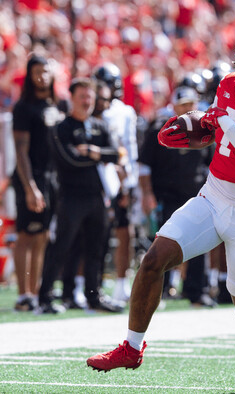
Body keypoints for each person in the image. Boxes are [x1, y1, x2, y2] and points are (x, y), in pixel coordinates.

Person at [87, 26, 235, 387]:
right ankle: (132, 347)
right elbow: (211, 127)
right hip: (213, 196)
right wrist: (193, 126)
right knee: (154, 260)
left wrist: (223, 121)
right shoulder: (228, 85)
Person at [38, 78, 123, 314]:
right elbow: (69, 160)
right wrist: (99, 157)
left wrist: (93, 152)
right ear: (72, 98)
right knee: (62, 247)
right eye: (82, 97)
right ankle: (45, 297)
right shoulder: (61, 128)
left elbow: (117, 154)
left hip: (96, 196)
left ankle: (93, 296)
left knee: (97, 248)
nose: (87, 101)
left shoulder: (100, 126)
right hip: (71, 197)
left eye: (90, 97)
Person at [138, 85, 215, 307]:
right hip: (168, 195)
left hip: (197, 194)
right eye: (183, 105)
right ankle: (159, 291)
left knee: (201, 243)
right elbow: (145, 166)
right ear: (174, 106)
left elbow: (210, 165)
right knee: (165, 245)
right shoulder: (159, 129)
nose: (188, 109)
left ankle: (196, 292)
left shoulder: (205, 130)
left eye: (190, 104)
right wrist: (147, 194)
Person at [11, 55, 62, 312]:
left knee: (42, 236)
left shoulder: (56, 105)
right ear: (29, 76)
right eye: (37, 72)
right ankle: (23, 294)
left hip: (52, 178)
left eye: (46, 71)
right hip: (31, 177)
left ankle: (36, 291)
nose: (42, 76)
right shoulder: (23, 108)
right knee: (25, 235)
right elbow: (21, 152)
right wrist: (30, 187)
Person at [93, 63, 139, 303]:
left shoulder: (125, 111)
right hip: (97, 175)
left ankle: (122, 282)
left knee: (124, 230)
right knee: (95, 230)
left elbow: (129, 148)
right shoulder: (92, 108)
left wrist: (129, 180)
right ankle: (91, 282)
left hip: (119, 176)